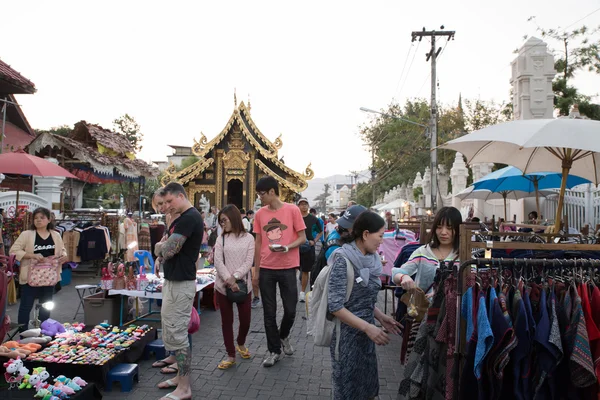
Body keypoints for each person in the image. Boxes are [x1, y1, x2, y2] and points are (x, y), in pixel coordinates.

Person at [327, 210, 401, 400]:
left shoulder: (371, 259)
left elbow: (360, 299)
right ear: (366, 234)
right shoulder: (343, 260)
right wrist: (368, 327)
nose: (382, 241)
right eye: (380, 236)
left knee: (367, 390)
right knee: (348, 391)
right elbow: (335, 306)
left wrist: (381, 317)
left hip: (366, 339)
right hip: (346, 340)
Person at [154, 182, 204, 400]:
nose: (166, 207)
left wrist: (159, 248)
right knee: (170, 331)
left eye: (169, 201)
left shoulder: (190, 218)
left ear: (181, 196)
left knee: (178, 335)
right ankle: (179, 380)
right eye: (163, 203)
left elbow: (169, 248)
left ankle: (184, 388)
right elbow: (166, 250)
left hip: (182, 283)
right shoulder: (178, 220)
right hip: (173, 280)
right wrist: (161, 252)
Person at [252, 176, 307, 367]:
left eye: (262, 194)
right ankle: (273, 350)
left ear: (272, 192)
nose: (260, 198)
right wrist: (256, 272)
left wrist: (287, 247)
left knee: (291, 310)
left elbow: (302, 237)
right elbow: (258, 243)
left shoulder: (292, 210)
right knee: (269, 312)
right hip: (267, 268)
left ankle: (283, 336)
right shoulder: (260, 214)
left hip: (288, 267)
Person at [10, 207, 67, 330]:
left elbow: (62, 250)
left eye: (42, 218)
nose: (38, 220)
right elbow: (13, 251)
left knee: (46, 305)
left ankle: (44, 331)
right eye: (36, 218)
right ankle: (23, 333)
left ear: (49, 219)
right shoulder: (27, 234)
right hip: (30, 276)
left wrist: (64, 256)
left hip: (49, 276)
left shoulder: (56, 235)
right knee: (26, 306)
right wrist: (32, 256)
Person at [213, 205, 255, 369]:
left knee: (246, 320)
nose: (222, 224)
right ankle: (231, 354)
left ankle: (241, 342)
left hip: (244, 286)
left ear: (234, 217)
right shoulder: (220, 238)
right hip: (223, 287)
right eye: (220, 221)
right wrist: (228, 280)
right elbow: (218, 261)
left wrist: (235, 277)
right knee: (226, 321)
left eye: (224, 220)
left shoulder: (249, 238)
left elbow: (248, 262)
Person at [392, 206, 462, 294]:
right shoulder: (423, 252)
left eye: (449, 228)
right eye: (439, 227)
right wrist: (404, 277)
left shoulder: (463, 256)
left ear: (458, 229)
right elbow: (396, 274)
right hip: (422, 306)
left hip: (453, 307)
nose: (443, 232)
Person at [298, 199, 323, 302]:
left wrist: (315, 241)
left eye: (305, 204)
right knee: (293, 270)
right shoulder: (295, 218)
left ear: (308, 206)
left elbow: (321, 231)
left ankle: (303, 293)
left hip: (309, 247)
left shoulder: (313, 219)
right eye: (301, 204)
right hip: (296, 246)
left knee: (306, 271)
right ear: (298, 206)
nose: (303, 206)